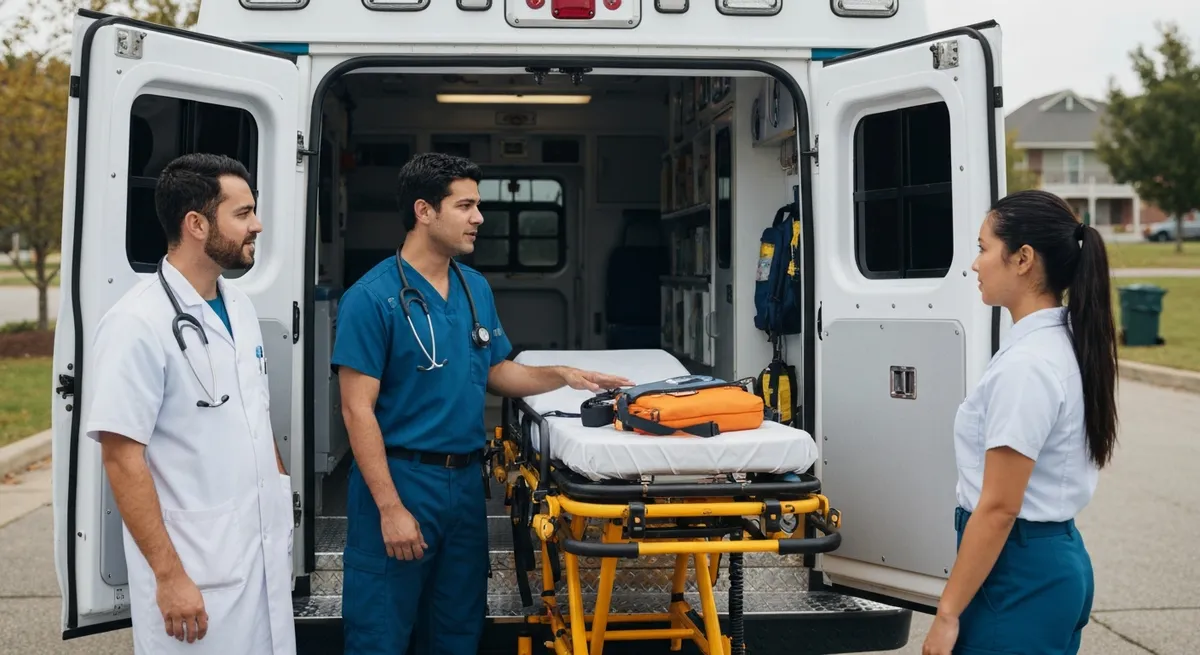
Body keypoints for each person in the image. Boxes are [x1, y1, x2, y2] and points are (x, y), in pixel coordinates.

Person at [333, 152, 633, 655]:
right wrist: (389, 508)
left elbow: (495, 370)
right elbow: (355, 410)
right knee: (379, 635)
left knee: (459, 629)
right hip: (402, 479)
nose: (479, 218)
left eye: (478, 205)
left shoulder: (473, 288)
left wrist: (562, 375)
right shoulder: (371, 298)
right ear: (424, 211)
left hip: (465, 486)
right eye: (465, 206)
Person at [85, 153, 296, 654]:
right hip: (194, 573)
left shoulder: (240, 307)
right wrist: (169, 575)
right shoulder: (136, 323)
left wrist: (278, 490)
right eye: (243, 213)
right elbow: (121, 458)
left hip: (259, 557)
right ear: (197, 224)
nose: (257, 225)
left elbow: (254, 416)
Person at [923, 189, 1117, 655]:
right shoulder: (1062, 342)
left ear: (1023, 259)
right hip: (1049, 563)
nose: (975, 264)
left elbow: (999, 507)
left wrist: (947, 614)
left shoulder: (1028, 365)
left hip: (1018, 576)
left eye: (984, 248)